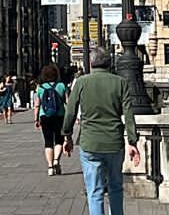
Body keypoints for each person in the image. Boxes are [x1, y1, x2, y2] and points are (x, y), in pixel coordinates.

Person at [62, 49, 138, 215]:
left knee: (94, 191)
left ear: (90, 63)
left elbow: (70, 111)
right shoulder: (120, 83)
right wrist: (132, 141)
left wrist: (67, 136)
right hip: (114, 143)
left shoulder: (82, 82)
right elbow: (129, 113)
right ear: (110, 63)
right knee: (116, 187)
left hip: (90, 143)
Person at [33, 64, 68, 175]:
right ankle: (56, 160)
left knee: (48, 141)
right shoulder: (62, 86)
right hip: (59, 115)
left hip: (45, 116)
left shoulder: (40, 88)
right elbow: (68, 102)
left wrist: (36, 119)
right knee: (59, 139)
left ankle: (50, 167)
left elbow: (37, 105)